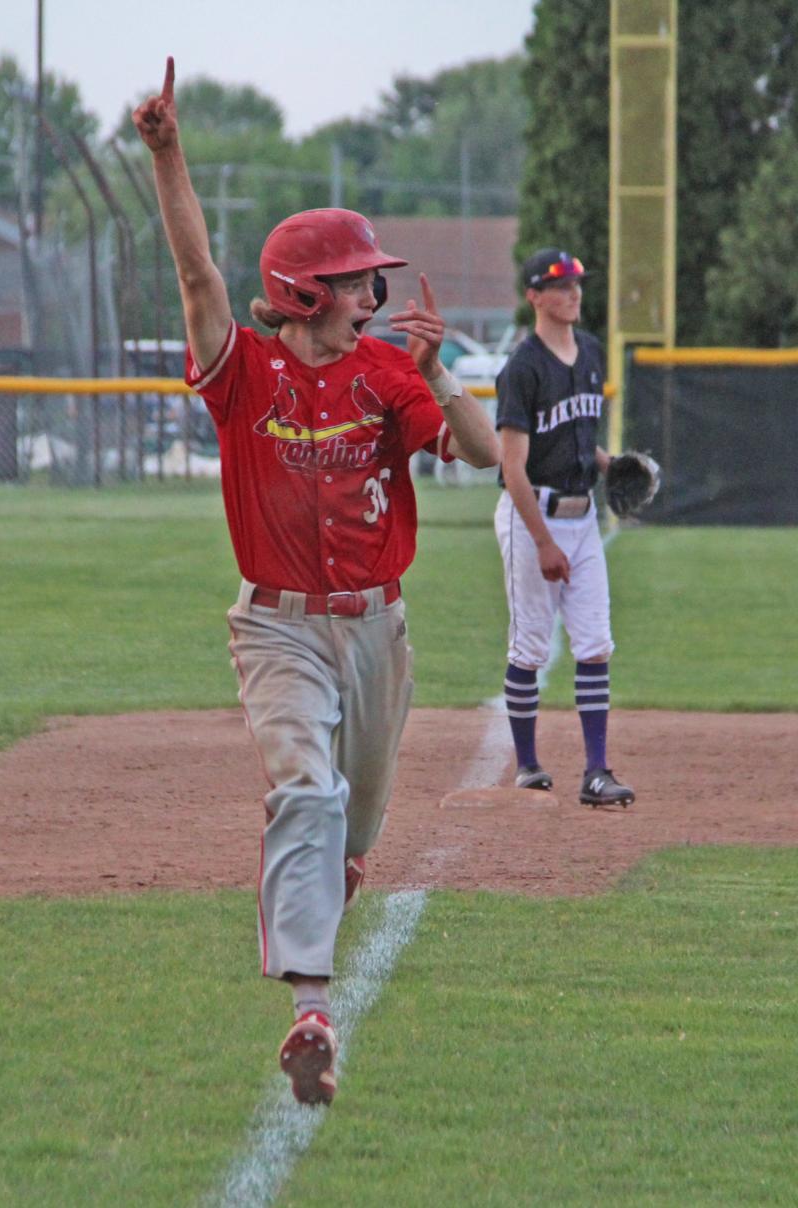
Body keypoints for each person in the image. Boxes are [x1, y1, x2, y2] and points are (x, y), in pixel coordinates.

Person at [133, 59, 500, 1107]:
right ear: (302, 291)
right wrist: (168, 153)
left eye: (370, 282)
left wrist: (437, 376)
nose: (370, 295)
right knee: (305, 787)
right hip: (281, 630)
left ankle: (320, 945)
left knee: (356, 829)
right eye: (352, 282)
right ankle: (310, 1008)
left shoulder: (387, 371)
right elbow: (200, 275)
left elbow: (474, 451)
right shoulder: (245, 368)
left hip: (378, 631)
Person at [493, 247, 635, 808]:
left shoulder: (592, 353)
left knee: (595, 643)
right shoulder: (522, 369)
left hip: (582, 516)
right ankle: (528, 764)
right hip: (533, 519)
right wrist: (545, 542)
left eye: (577, 282)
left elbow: (576, 436)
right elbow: (513, 466)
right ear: (534, 296)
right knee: (529, 645)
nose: (573, 292)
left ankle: (596, 772)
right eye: (559, 284)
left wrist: (609, 466)